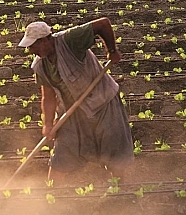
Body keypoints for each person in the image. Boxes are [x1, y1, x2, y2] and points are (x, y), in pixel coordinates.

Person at [18, 17, 133, 184]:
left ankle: (117, 192)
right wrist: (48, 124)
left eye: (33, 45)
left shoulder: (70, 40)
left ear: (45, 40)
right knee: (62, 154)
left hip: (103, 103)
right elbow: (48, 96)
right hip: (73, 112)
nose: (31, 50)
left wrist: (112, 50)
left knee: (113, 151)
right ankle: (52, 196)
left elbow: (103, 24)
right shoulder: (40, 66)